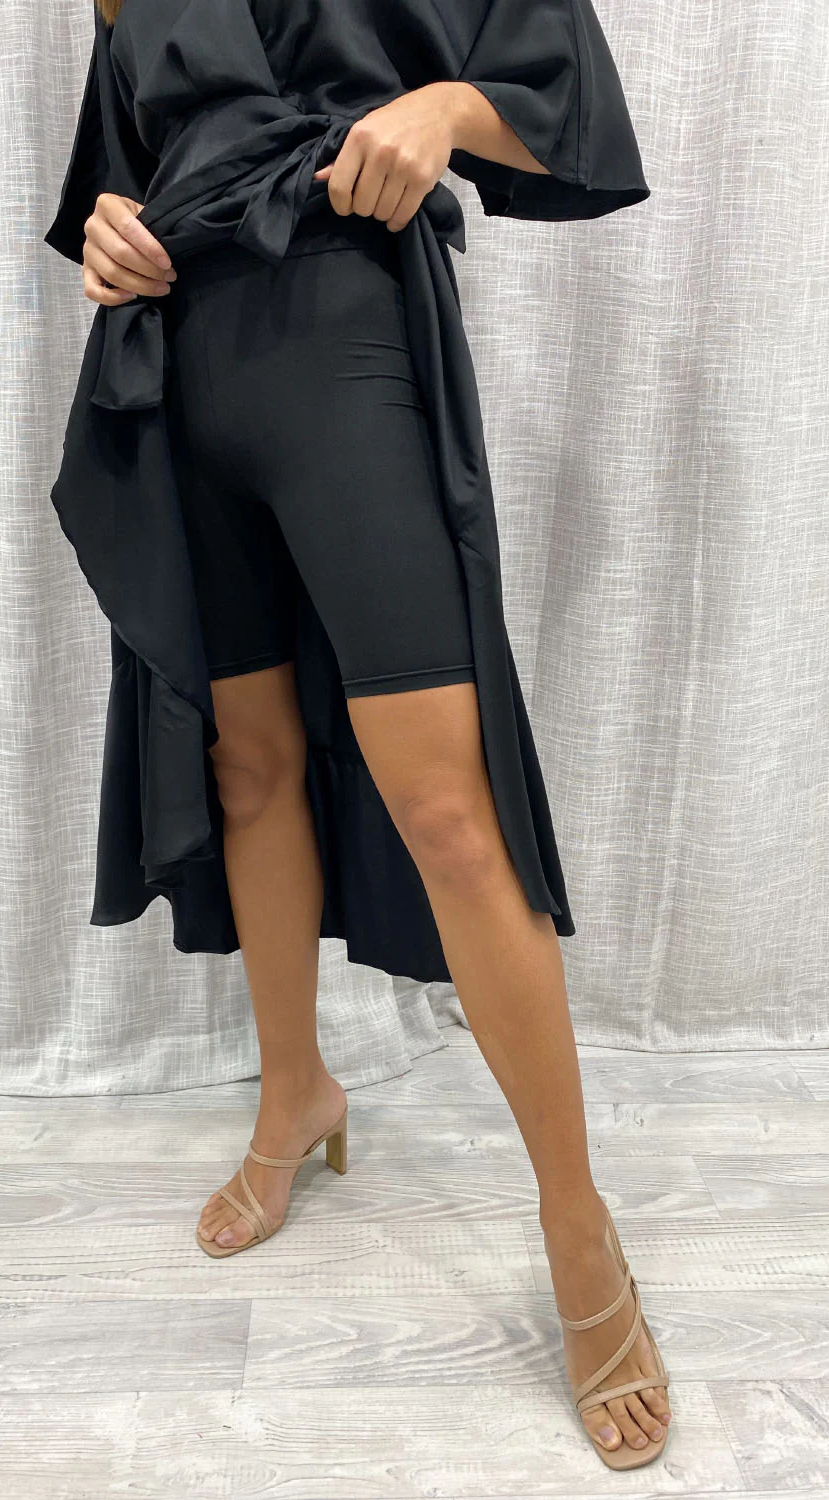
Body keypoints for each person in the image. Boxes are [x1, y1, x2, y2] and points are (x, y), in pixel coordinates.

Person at [44, 0, 670, 1470]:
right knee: (247, 765)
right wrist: (107, 237)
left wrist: (444, 110)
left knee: (446, 807)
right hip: (176, 355)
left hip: (344, 323)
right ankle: (295, 1094)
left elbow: (569, 103)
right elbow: (117, 176)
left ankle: (576, 1224)